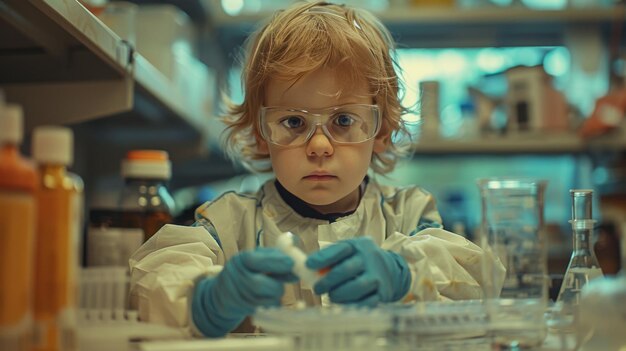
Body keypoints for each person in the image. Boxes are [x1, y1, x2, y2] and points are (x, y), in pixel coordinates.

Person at [129, 1, 505, 338]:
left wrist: (403, 274)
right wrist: (206, 300)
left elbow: (475, 278)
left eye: (343, 120)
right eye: (293, 122)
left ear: (382, 133)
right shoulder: (229, 225)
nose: (320, 146)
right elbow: (153, 280)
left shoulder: (407, 214)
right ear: (261, 134)